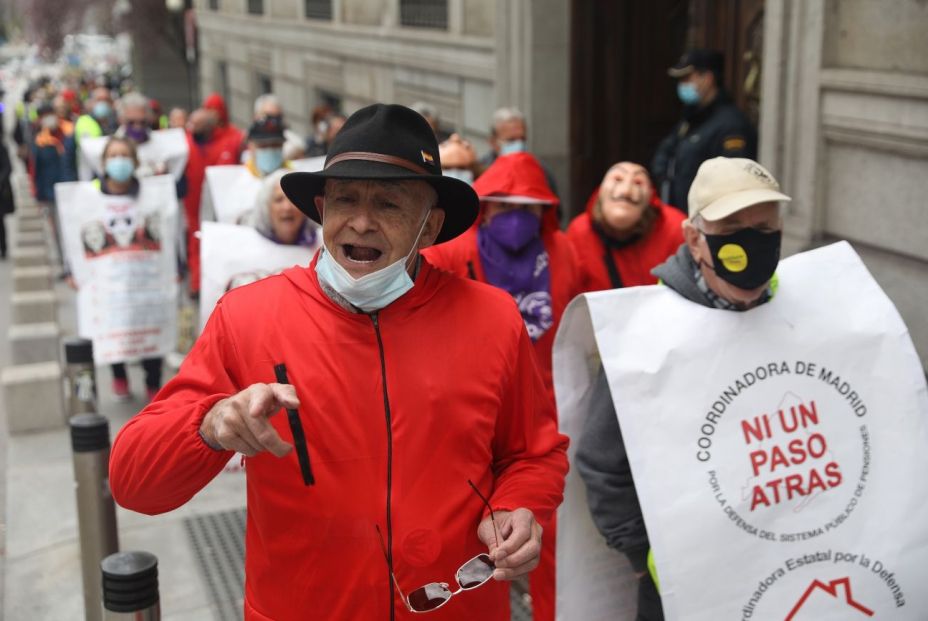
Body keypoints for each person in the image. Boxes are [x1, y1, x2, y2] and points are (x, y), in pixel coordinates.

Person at [109, 103, 569, 620]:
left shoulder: (492, 318)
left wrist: (517, 505)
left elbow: (533, 454)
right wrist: (209, 425)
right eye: (345, 199)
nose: (361, 222)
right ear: (322, 209)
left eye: (389, 204)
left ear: (431, 225)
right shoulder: (248, 316)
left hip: (459, 607)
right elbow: (134, 483)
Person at [575, 157, 790, 620]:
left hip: (789, 566)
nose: (752, 240)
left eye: (764, 227)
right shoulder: (645, 334)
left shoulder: (802, 311)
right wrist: (643, 558)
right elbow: (601, 462)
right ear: (695, 239)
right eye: (732, 226)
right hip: (686, 582)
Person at [424, 151, 580, 621]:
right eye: (505, 206)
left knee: (543, 531)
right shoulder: (452, 253)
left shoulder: (564, 251)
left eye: (528, 208)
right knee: (461, 530)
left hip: (543, 410)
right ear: (485, 207)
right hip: (466, 412)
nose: (517, 218)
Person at [88, 137, 167, 400]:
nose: (118, 161)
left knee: (148, 321)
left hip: (145, 276)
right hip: (109, 278)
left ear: (134, 162)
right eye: (113, 155)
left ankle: (153, 380)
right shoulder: (88, 197)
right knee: (114, 322)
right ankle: (118, 374)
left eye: (124, 155)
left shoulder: (152, 196)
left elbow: (168, 231)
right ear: (103, 163)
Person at [650, 49, 757, 214]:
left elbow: (733, 181)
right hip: (681, 215)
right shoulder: (692, 118)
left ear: (707, 79)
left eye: (687, 79)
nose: (682, 85)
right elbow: (665, 151)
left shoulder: (730, 125)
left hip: (706, 221)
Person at [567, 162, 685, 292]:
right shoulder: (579, 232)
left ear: (650, 196)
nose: (626, 191)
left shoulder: (675, 228)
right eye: (617, 179)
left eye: (638, 182)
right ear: (600, 190)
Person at [479, 107, 559, 197]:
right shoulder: (481, 170)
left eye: (522, 139)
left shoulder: (540, 170)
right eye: (511, 140)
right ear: (493, 142)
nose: (519, 144)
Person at [243, 169, 319, 246]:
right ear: (266, 208)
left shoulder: (322, 245)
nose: (287, 207)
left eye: (293, 200)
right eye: (278, 200)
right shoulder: (246, 246)